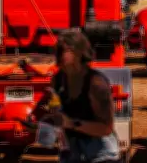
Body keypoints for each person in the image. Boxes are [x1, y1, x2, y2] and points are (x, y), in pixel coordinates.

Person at [41, 30, 118, 162]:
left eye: (65, 50)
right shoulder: (58, 80)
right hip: (72, 153)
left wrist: (71, 123)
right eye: (58, 50)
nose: (60, 55)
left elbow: (106, 128)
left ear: (79, 53)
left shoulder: (95, 83)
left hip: (100, 154)